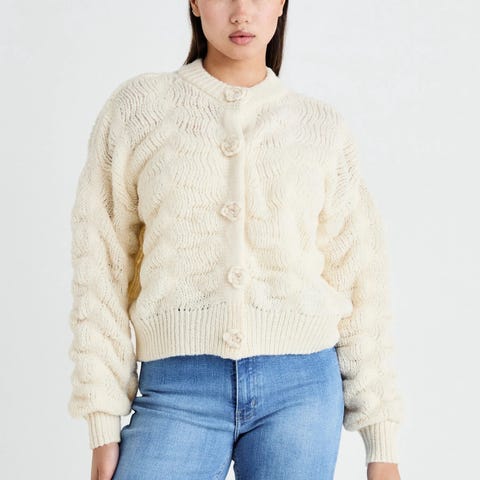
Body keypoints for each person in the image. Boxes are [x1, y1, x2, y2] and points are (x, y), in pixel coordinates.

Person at [67, 1, 404, 479]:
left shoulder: (321, 128)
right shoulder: (139, 110)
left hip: (302, 391)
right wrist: (102, 421)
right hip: (176, 388)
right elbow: (100, 264)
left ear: (282, 4)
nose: (242, 11)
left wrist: (381, 441)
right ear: (194, 2)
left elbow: (359, 280)